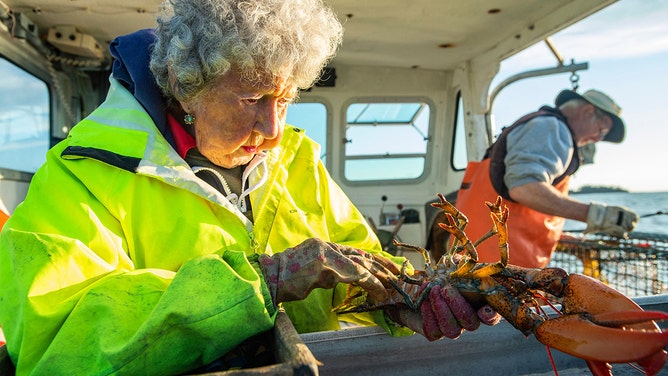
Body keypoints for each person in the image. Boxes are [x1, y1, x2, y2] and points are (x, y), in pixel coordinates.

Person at [0, 0, 496, 374]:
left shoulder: (295, 157)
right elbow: (54, 344)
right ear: (182, 81)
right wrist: (264, 279)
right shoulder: (82, 176)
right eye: (253, 96)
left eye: (285, 98)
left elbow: (358, 268)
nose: (275, 128)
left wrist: (403, 300)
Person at [450, 89, 639, 268]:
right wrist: (598, 215)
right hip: (498, 270)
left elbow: (516, 206)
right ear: (588, 112)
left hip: (475, 263)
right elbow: (524, 187)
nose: (598, 139)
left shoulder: (541, 126)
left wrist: (559, 236)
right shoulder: (552, 128)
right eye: (602, 130)